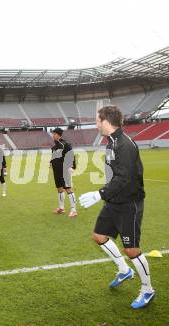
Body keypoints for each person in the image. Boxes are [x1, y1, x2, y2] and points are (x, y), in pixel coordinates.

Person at [79, 105, 154, 309]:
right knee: (99, 236)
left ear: (105, 121)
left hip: (129, 204)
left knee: (131, 250)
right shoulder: (111, 142)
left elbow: (124, 178)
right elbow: (114, 175)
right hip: (114, 201)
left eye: (97, 120)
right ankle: (124, 270)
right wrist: (106, 194)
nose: (96, 124)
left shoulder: (125, 145)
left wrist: (99, 193)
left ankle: (147, 290)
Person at [50, 127, 77, 217]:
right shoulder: (54, 147)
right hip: (56, 171)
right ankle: (61, 208)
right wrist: (51, 162)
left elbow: (71, 155)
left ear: (59, 135)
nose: (53, 136)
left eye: (54, 134)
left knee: (68, 188)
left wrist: (73, 166)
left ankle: (74, 210)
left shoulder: (66, 144)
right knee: (59, 189)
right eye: (53, 134)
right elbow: (54, 157)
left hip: (65, 170)